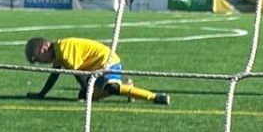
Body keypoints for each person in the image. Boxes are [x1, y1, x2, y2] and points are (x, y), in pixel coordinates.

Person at [24, 37, 167, 105]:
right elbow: (54, 76)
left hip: (107, 61)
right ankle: (128, 88)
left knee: (111, 88)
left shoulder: (63, 49)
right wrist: (41, 94)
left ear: (44, 49)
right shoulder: (57, 54)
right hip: (96, 68)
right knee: (85, 94)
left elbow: (78, 74)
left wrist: (88, 92)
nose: (41, 63)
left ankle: (155, 97)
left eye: (39, 59)